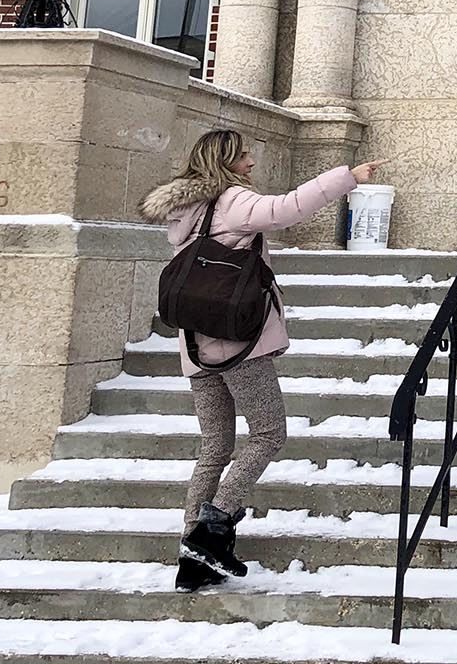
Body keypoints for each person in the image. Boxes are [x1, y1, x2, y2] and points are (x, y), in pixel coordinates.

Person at [140, 130, 384, 591]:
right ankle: (214, 530)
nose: (252, 162)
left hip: (196, 343)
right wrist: (347, 177)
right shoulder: (232, 200)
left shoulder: (184, 209)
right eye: (245, 155)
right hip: (238, 343)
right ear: (228, 161)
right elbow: (286, 209)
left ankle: (191, 558)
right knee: (270, 433)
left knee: (215, 446)